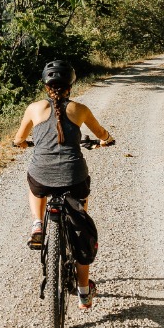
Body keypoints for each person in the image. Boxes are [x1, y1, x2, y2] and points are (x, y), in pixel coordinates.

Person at [13, 59, 115, 308]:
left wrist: (25, 144)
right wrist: (106, 140)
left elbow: (18, 139)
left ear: (46, 86)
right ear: (70, 85)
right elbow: (102, 134)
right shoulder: (79, 109)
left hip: (42, 176)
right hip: (74, 177)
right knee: (80, 229)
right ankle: (83, 291)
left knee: (35, 184)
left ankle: (37, 225)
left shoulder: (34, 108)